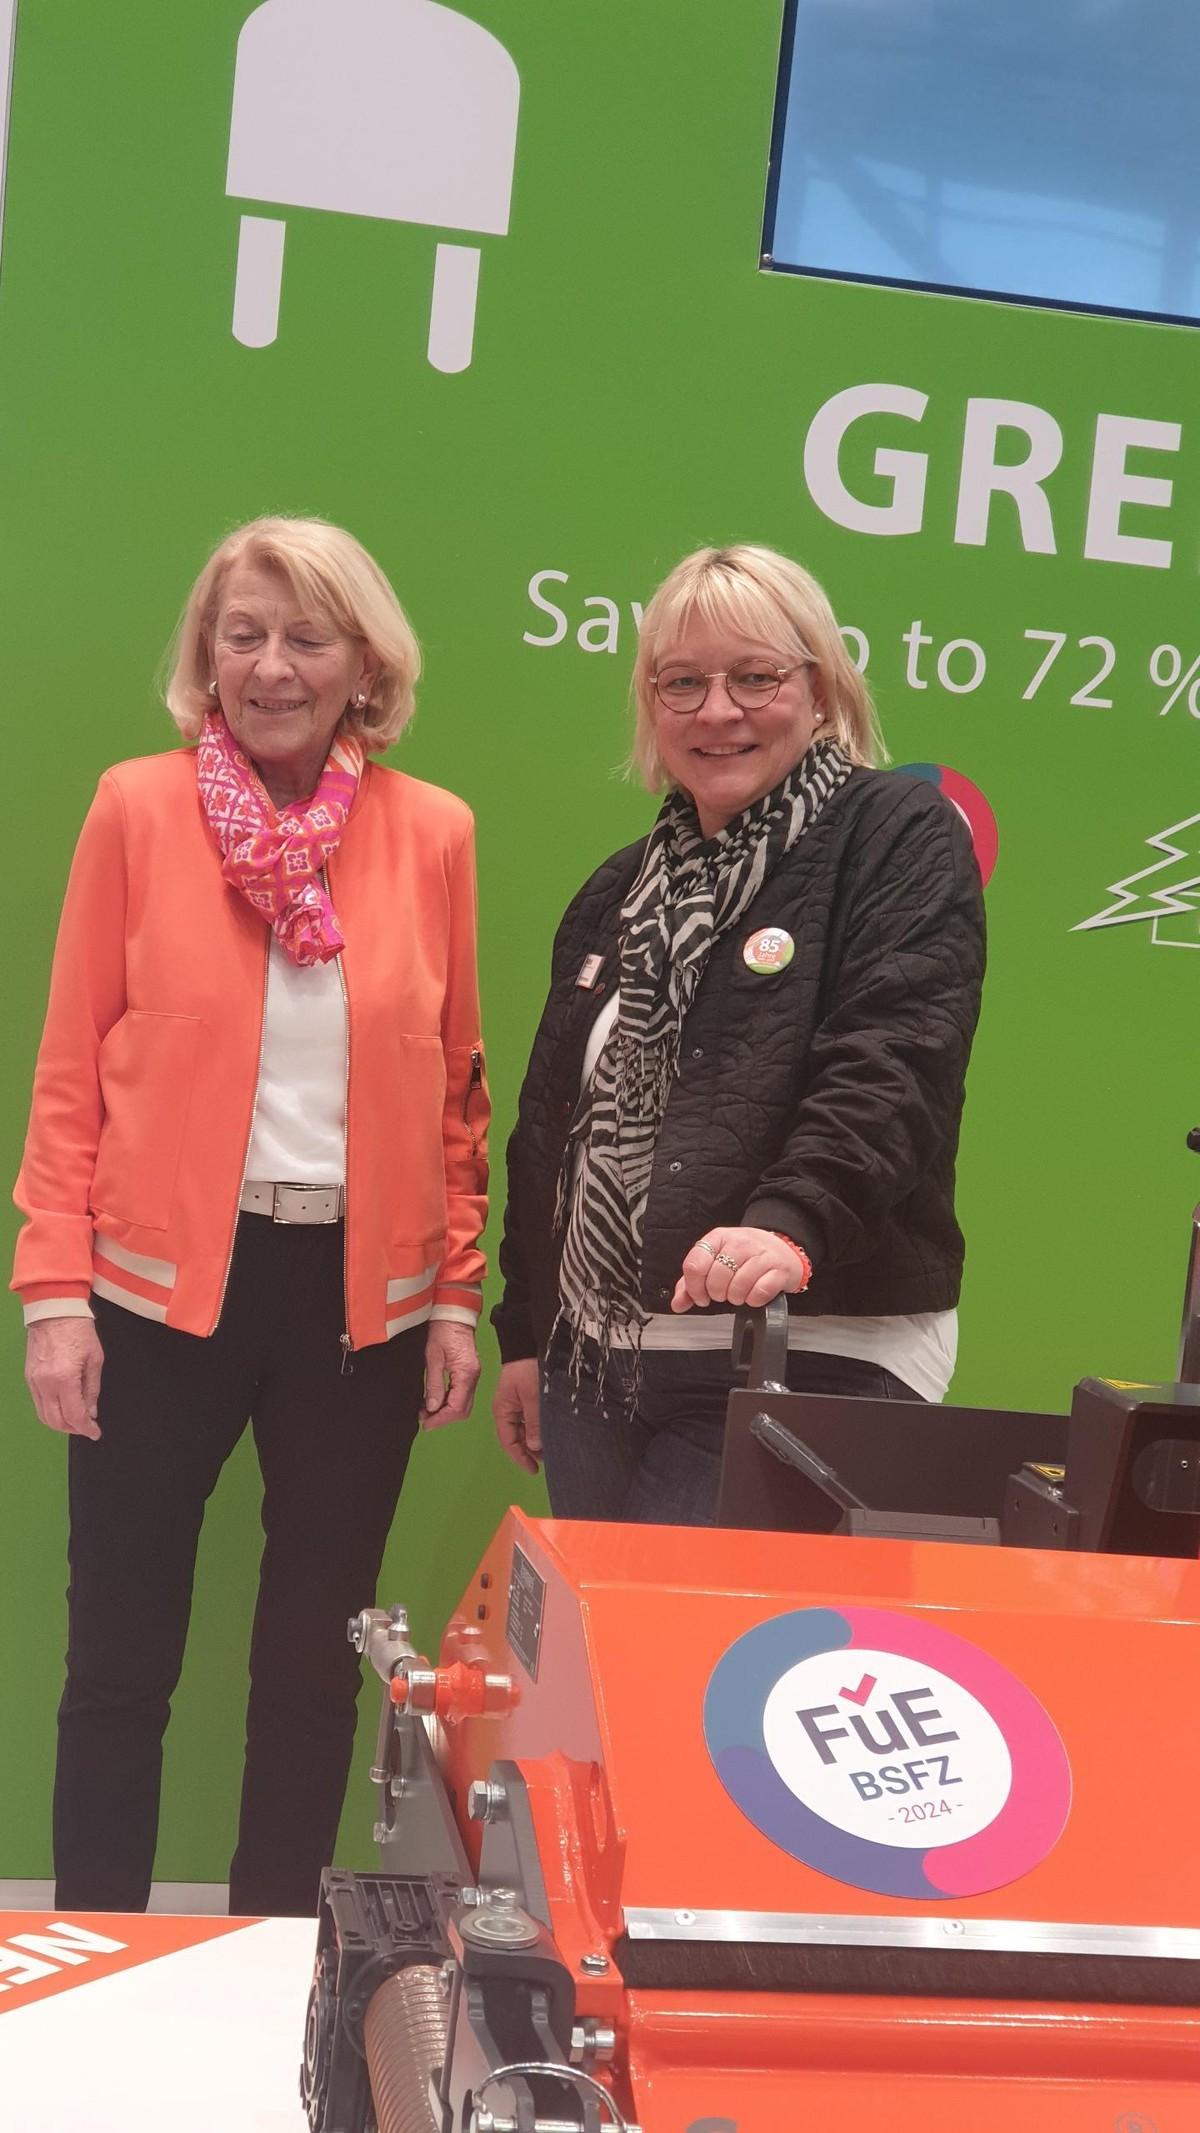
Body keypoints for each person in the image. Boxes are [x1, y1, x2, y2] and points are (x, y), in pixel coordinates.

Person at [13, 515, 489, 1915]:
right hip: (156, 1295)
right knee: (118, 1658)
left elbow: (457, 1083)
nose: (271, 666)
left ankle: (277, 1949)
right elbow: (65, 1069)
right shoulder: (135, 809)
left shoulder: (435, 833)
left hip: (359, 1303)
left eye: (306, 637)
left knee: (305, 1668)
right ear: (206, 655)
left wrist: (455, 1292)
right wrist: (54, 1294)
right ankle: (93, 1944)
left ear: (364, 664)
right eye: (243, 634)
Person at [490, 543, 984, 1525]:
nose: (718, 710)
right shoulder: (615, 890)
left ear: (820, 687)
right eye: (683, 683)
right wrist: (525, 1329)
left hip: (806, 1361)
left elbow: (893, 1064)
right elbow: (549, 1121)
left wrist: (789, 1220)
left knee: (683, 1673)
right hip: (597, 1369)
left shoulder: (894, 836)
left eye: (755, 676)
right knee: (598, 1674)